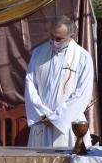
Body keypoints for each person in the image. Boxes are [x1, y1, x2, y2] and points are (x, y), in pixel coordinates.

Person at [24, 15, 94, 148]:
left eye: (59, 39)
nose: (53, 41)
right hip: (42, 122)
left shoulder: (83, 58)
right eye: (51, 36)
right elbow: (30, 84)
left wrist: (57, 118)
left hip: (67, 124)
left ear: (72, 37)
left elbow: (82, 93)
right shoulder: (38, 53)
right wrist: (43, 114)